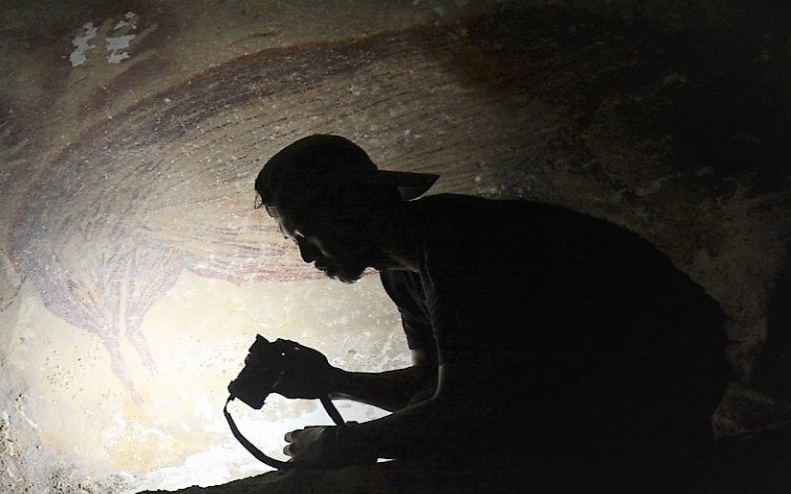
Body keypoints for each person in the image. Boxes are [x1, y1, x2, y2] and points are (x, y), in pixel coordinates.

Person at [253, 134, 730, 468]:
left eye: (306, 234)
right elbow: (432, 385)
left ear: (350, 211)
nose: (306, 256)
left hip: (660, 383)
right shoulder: (403, 272)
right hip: (607, 386)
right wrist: (333, 381)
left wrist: (341, 443)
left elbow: (467, 408)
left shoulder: (463, 245)